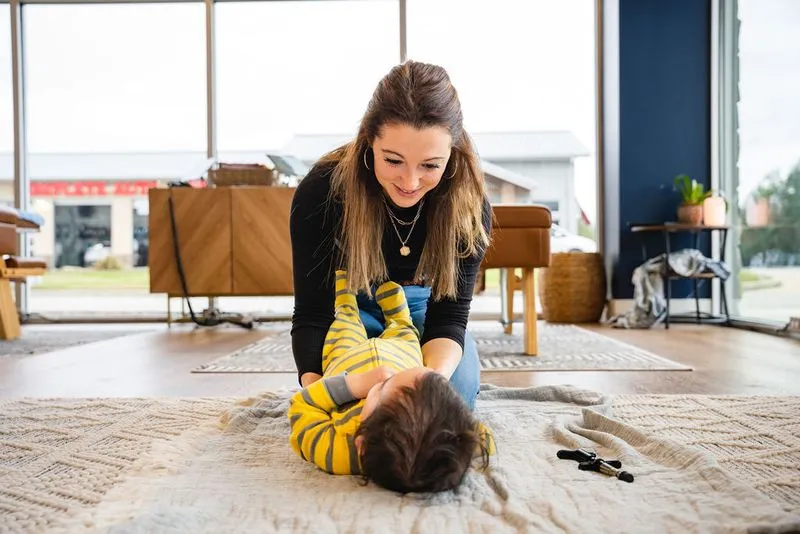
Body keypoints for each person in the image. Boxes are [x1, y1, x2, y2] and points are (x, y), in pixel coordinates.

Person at [289, 59, 492, 413]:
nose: (410, 182)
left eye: (430, 165)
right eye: (393, 160)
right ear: (369, 141)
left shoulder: (469, 205)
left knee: (449, 403)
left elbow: (448, 318)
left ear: (452, 153)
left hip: (423, 309)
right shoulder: (321, 190)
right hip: (348, 307)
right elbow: (312, 312)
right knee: (353, 403)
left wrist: (429, 385)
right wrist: (323, 393)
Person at [288, 270, 491, 493]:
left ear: (361, 445)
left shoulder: (333, 451)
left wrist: (353, 385)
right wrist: (448, 414)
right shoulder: (443, 442)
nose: (384, 374)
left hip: (348, 355)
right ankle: (398, 318)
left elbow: (302, 405)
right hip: (400, 349)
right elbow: (477, 436)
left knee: (345, 327)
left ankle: (346, 303)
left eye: (383, 385)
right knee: (457, 390)